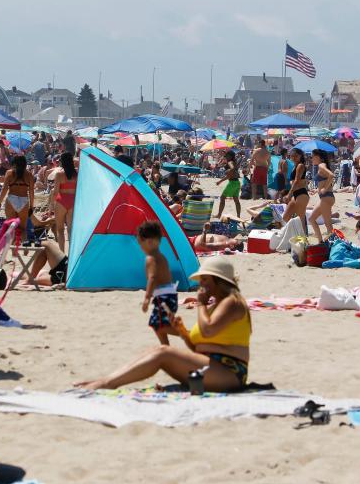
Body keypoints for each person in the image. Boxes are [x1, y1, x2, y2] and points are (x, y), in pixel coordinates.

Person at [75, 256, 250, 392]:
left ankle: (107, 384)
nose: (201, 284)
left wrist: (201, 304)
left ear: (218, 281)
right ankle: (105, 381)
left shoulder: (232, 302)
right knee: (155, 351)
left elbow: (209, 330)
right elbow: (199, 349)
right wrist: (183, 332)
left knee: (163, 352)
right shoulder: (218, 305)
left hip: (230, 372)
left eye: (205, 279)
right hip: (213, 369)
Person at [137, 221, 177, 346]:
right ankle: (165, 347)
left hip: (163, 297)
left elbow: (152, 278)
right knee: (157, 324)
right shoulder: (161, 256)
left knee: (159, 324)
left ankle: (185, 332)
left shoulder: (151, 259)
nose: (140, 247)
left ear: (149, 242)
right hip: (169, 295)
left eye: (140, 243)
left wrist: (147, 298)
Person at [0, 155, 34, 234]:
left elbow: (4, 189)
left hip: (11, 199)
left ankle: (11, 245)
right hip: (24, 200)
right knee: (23, 229)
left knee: (11, 229)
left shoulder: (9, 173)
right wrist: (31, 206)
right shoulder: (29, 174)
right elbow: (31, 191)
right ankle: (22, 245)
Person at [48, 152, 77, 251]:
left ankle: (61, 255)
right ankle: (71, 255)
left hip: (61, 202)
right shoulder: (77, 174)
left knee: (60, 230)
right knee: (70, 230)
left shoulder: (59, 174)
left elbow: (55, 192)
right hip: (73, 202)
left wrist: (51, 206)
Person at [307, 150, 336, 243]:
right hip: (326, 197)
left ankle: (333, 244)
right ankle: (320, 242)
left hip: (326, 198)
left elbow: (331, 175)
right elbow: (325, 180)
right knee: (311, 219)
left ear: (318, 157)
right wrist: (317, 190)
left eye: (312, 156)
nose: (311, 159)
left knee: (328, 225)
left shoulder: (321, 165)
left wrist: (324, 189)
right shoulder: (322, 166)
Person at [283, 147, 309, 227]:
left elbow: (297, 181)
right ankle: (296, 233)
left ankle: (303, 238)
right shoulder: (295, 166)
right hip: (296, 194)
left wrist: (289, 194)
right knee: (285, 217)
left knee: (300, 220)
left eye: (296, 156)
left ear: (300, 156)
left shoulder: (300, 165)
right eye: (292, 156)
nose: (294, 157)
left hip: (301, 194)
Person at [215, 150, 241, 218]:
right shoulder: (234, 162)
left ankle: (219, 215)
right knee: (236, 200)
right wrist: (220, 181)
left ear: (230, 156)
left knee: (222, 198)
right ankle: (238, 216)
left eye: (226, 156)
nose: (225, 157)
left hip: (232, 183)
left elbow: (231, 170)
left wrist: (228, 170)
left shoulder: (230, 162)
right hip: (237, 183)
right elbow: (231, 173)